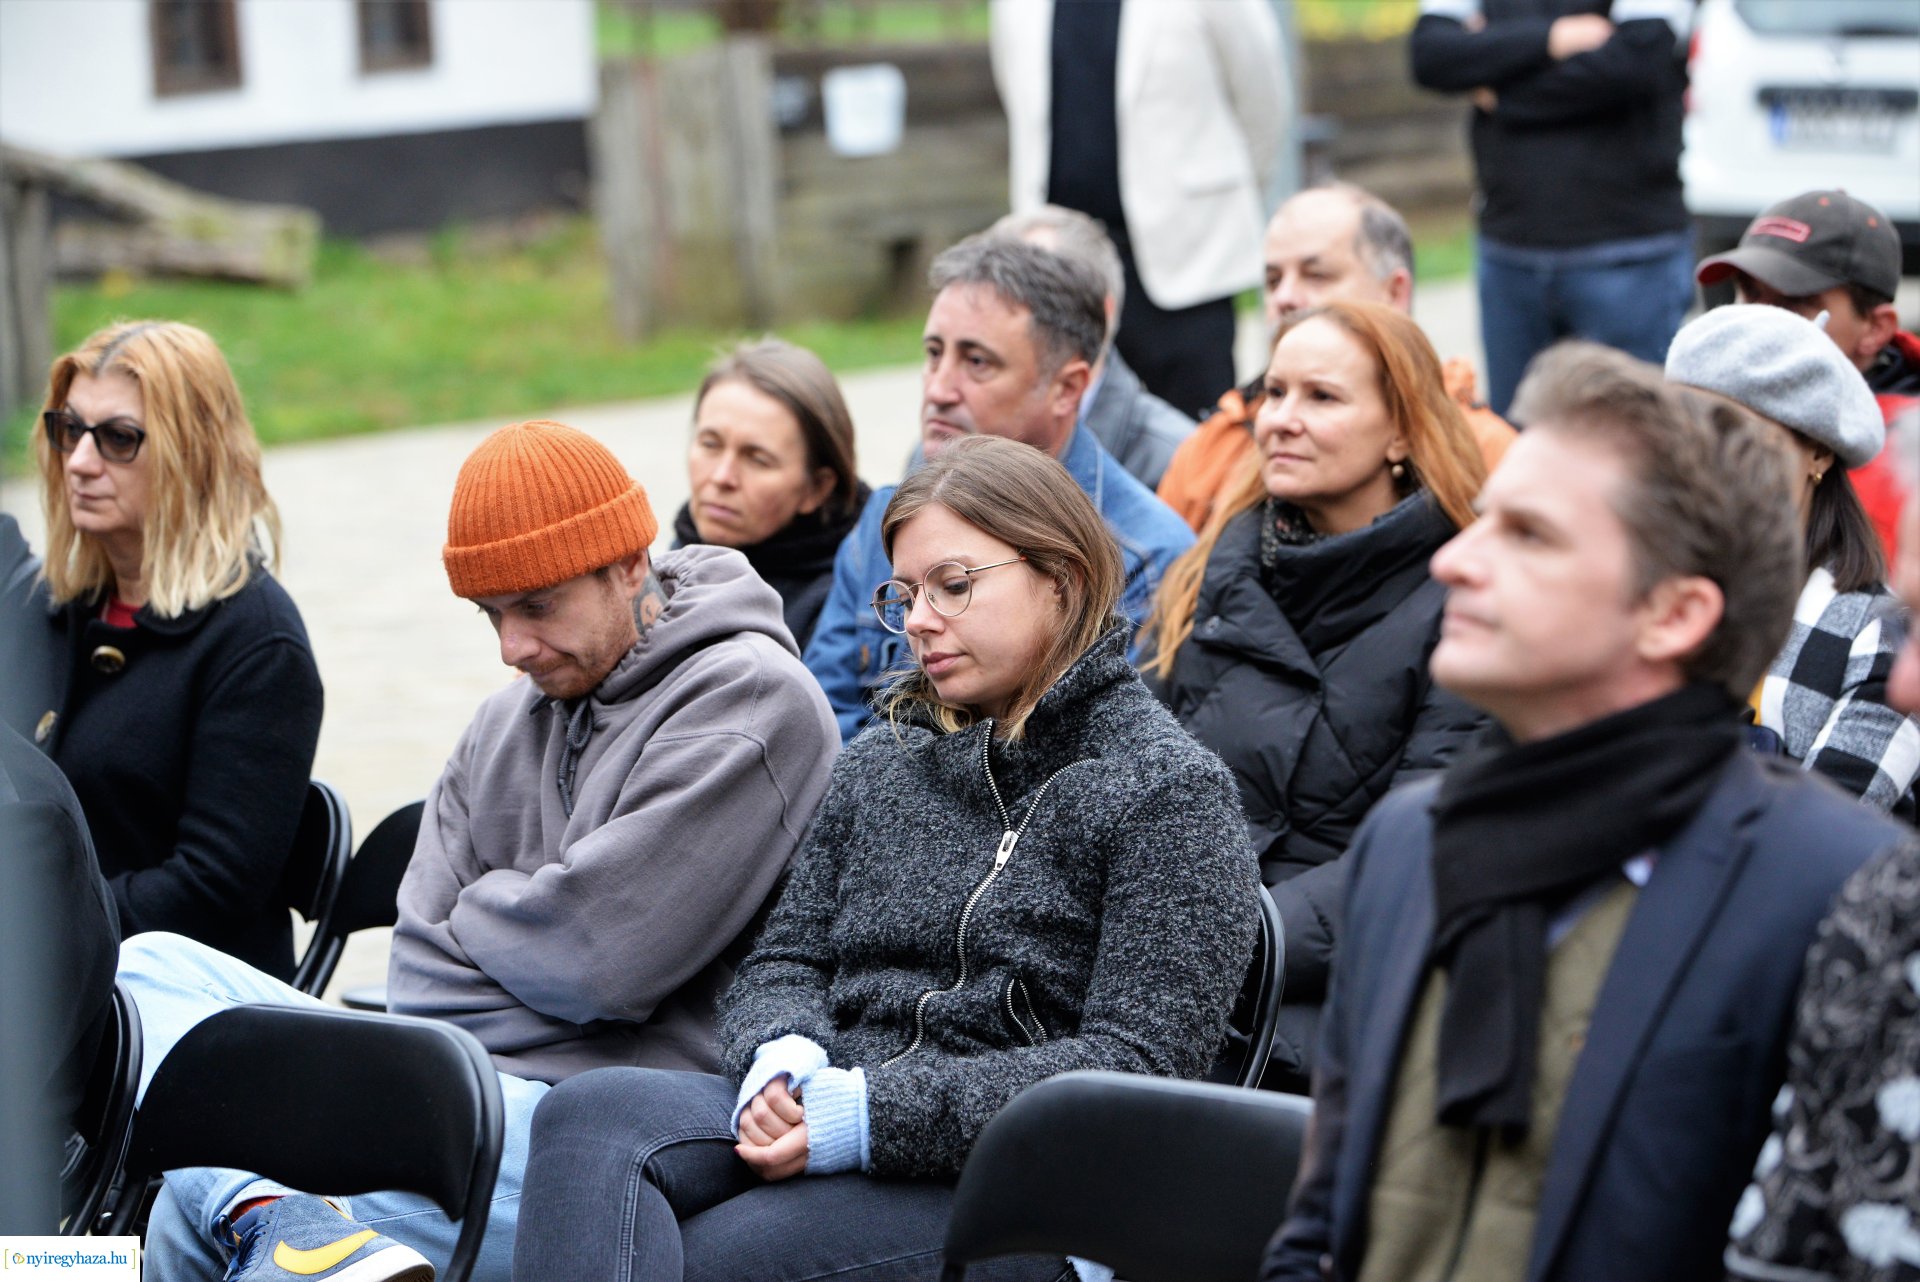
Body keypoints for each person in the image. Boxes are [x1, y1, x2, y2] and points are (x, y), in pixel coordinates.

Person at [513, 434, 1260, 1281]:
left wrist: (867, 1116)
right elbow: (786, 956)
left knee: (716, 1257)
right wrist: (782, 1058)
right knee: (587, 1115)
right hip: (842, 1094)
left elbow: (1137, 1071)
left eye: (954, 586)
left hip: (1039, 1189)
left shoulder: (1166, 792)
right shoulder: (881, 758)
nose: (919, 621)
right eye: (904, 594)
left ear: (1064, 579)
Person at [124, 417, 841, 1282]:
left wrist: (483, 912)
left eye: (537, 606)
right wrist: (535, 929)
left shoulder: (753, 701)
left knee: (188, 1203)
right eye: (490, 615)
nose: (512, 648)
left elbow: (599, 963)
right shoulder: (503, 719)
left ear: (627, 563)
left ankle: (249, 1218)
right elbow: (420, 973)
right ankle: (269, 1214)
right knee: (149, 969)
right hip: (448, 1089)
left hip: (605, 1135)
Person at [1262, 344, 1911, 1282]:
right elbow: (1321, 1230)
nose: (1453, 560)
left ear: (1672, 614)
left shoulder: (1837, 894)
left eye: (1527, 535)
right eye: (1483, 521)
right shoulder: (1411, 844)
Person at [1144, 299, 1488, 1086]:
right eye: (1273, 392)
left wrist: (1215, 944)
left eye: (1321, 398)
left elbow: (1414, 854)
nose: (1278, 420)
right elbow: (1121, 779)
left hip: (1327, 998)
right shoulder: (1209, 572)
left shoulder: (1468, 600)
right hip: (1173, 962)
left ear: (1402, 431)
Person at [2, 320, 322, 979]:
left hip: (176, 1015)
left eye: (118, 438)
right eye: (70, 430)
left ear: (192, 453)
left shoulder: (258, 642)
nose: (81, 462)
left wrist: (37, 929)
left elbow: (208, 890)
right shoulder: (52, 605)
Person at [803, 234, 1194, 743]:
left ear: (1067, 388)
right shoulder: (884, 516)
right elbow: (822, 727)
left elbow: (1123, 753)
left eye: (977, 362)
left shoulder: (1148, 555)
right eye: (933, 353)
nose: (940, 388)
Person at [1726, 410, 1920, 1282]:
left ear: (1816, 456)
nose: (1907, 685)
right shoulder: (1892, 913)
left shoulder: (1855, 625)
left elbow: (1816, 831)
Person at [1667, 304, 1919, 816]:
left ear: (1819, 454)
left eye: (1740, 436)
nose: (1710, 464)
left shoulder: (1881, 636)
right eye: (1688, 438)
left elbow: (1822, 834)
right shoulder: (1640, 593)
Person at [1156, 182, 1515, 532]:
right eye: (1272, 280)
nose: (1285, 297)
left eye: (1316, 275)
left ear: (1394, 292)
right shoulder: (1213, 448)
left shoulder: (1484, 453)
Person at [990, 0, 1286, 415]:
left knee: (1194, 440)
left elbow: (1261, 99)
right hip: (1060, 262)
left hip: (1187, 260)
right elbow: (1020, 100)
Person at [1411, 0, 1695, 418]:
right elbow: (1432, 56)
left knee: (1630, 450)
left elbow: (1635, 63)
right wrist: (1553, 39)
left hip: (1628, 254)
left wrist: (1501, 90)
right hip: (1510, 251)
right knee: (1518, 451)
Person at [1697, 189, 1916, 569]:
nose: (1759, 319)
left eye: (1791, 303)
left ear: (1876, 329)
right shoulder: (1699, 403)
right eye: (1749, 293)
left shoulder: (1907, 466)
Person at [671, 338, 869, 651]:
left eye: (757, 459)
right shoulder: (670, 564)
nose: (722, 477)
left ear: (816, 489)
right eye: (710, 444)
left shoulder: (847, 600)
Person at [992, 204, 1198, 490]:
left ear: (1099, 315)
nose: (992, 327)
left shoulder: (1177, 463)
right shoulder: (947, 439)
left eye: (1027, 304)